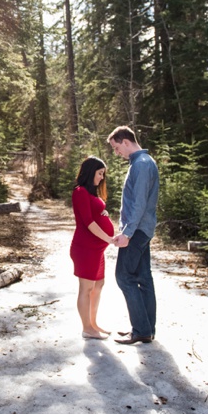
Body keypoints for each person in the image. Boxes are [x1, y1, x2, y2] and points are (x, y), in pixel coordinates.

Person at [108, 125, 159, 345]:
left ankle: (141, 330)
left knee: (124, 277)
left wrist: (127, 233)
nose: (116, 153)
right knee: (143, 278)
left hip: (136, 231)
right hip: (141, 229)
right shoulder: (142, 163)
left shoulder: (142, 164)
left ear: (126, 142)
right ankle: (146, 330)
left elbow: (139, 203)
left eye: (117, 148)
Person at [69, 156, 115, 340]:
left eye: (103, 174)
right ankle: (86, 328)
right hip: (85, 248)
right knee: (86, 288)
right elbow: (88, 222)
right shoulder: (80, 191)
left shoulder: (91, 192)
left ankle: (93, 324)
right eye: (99, 173)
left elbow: (95, 214)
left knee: (98, 286)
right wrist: (109, 239)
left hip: (97, 249)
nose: (102, 177)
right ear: (90, 172)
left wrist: (104, 213)